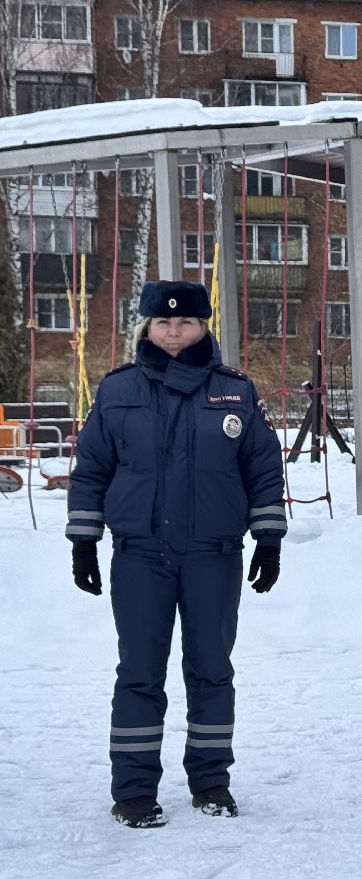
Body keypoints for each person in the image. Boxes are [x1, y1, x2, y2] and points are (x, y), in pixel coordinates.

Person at [66, 281, 285, 828]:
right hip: (140, 555)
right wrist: (84, 541)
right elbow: (92, 468)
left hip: (213, 553)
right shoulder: (116, 391)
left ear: (203, 326)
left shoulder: (235, 392)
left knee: (211, 670)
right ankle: (134, 790)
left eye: (185, 323)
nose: (172, 332)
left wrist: (270, 537)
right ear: (146, 326)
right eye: (162, 323)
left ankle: (211, 782)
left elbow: (261, 467)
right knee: (139, 672)